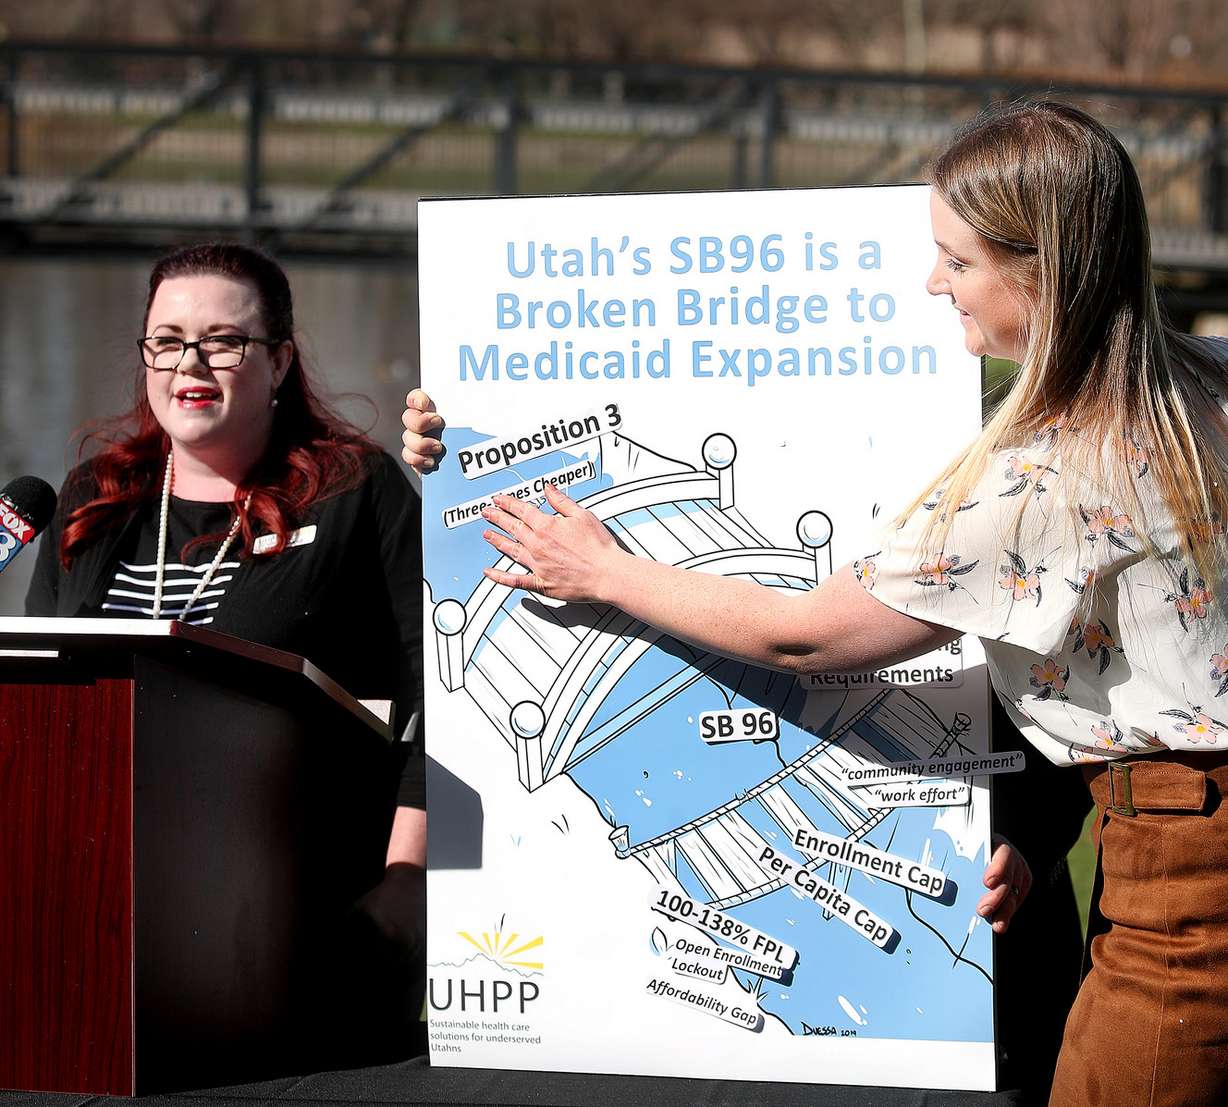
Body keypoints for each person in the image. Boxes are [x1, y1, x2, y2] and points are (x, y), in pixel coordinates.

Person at [404, 100, 1228, 1106]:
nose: (934, 282)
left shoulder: (1039, 476)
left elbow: (809, 636)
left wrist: (604, 571)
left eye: (958, 263)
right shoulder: (1205, 387)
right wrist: (467, 440)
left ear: (1039, 268)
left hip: (1183, 870)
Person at [27, 241, 427, 1058]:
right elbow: (40, 704)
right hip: (87, 936)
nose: (191, 362)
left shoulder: (358, 492)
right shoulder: (90, 500)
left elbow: (447, 701)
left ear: (279, 360)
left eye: (225, 339)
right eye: (167, 339)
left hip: (291, 938)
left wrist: (407, 881)